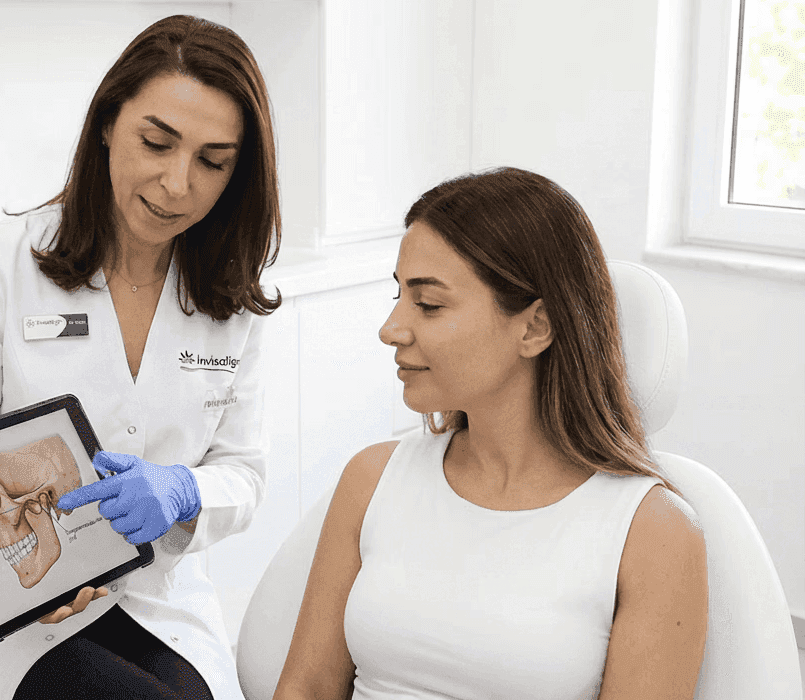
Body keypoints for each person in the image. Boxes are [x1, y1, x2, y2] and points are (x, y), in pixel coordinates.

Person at [0, 15, 282, 700]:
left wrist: (184, 490)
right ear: (105, 124)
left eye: (212, 161)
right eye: (156, 142)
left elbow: (243, 472)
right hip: (17, 601)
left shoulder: (233, 300)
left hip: (155, 599)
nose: (178, 183)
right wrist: (19, 572)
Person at [273, 168, 709, 700]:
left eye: (428, 304)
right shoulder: (373, 479)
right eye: (399, 296)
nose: (391, 329)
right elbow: (307, 688)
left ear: (534, 327)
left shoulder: (653, 532)